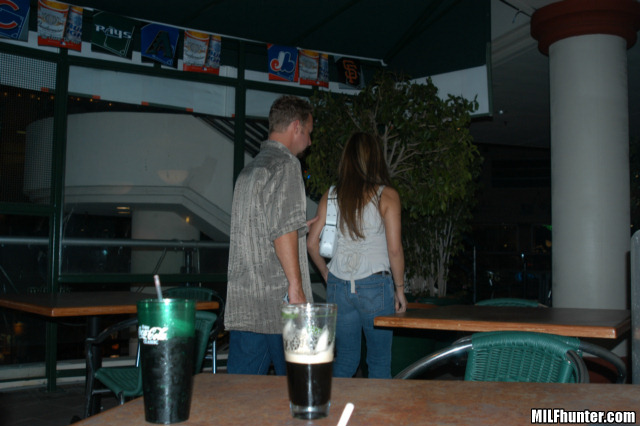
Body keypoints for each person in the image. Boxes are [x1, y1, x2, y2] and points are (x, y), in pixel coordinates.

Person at [225, 95, 315, 375]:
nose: (309, 142)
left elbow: (263, 228)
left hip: (246, 303)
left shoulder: (250, 169)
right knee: (300, 388)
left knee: (241, 393)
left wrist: (299, 228)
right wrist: (296, 289)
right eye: (309, 133)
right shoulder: (286, 164)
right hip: (280, 303)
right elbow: (282, 230)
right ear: (296, 127)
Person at [307, 132, 408, 379]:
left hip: (339, 285)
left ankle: (331, 403)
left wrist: (327, 274)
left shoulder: (331, 195)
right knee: (379, 361)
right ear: (375, 158)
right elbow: (394, 250)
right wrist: (400, 289)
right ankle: (376, 407)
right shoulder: (387, 195)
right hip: (375, 286)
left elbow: (311, 243)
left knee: (346, 359)